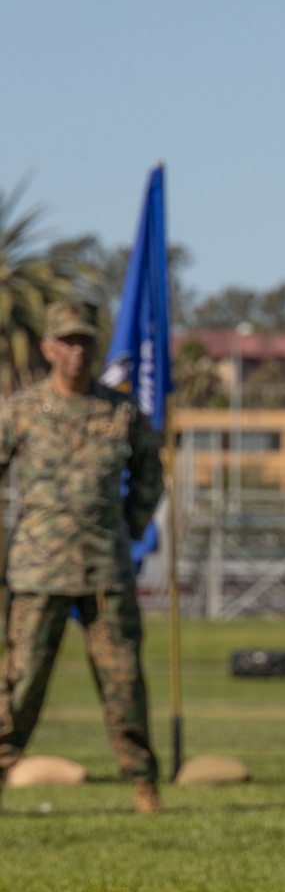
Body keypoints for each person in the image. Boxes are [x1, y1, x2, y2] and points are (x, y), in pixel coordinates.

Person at [0, 300, 164, 811]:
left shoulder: (120, 412)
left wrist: (128, 528)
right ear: (48, 347)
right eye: (66, 341)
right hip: (37, 569)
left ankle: (141, 781)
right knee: (20, 681)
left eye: (85, 341)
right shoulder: (21, 411)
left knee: (123, 681)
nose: (77, 351)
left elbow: (149, 477)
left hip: (105, 568)